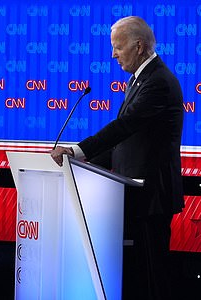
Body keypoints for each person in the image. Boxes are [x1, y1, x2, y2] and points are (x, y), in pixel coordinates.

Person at [50, 16, 183, 299]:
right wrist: (81, 164)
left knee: (153, 278)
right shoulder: (139, 80)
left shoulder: (158, 81)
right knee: (138, 278)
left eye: (117, 47)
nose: (113, 55)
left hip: (151, 197)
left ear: (138, 46)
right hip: (135, 196)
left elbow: (124, 127)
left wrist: (76, 151)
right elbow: (126, 143)